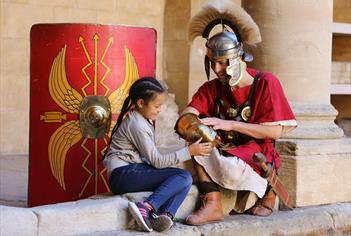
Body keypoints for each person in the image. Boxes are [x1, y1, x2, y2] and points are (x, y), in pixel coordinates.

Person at [182, 0, 297, 225]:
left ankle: (267, 193)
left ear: (238, 58)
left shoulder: (265, 82)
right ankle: (212, 202)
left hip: (254, 152)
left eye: (223, 63)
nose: (217, 70)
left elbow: (275, 132)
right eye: (212, 62)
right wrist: (197, 125)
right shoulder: (212, 88)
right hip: (224, 148)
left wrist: (231, 125)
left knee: (230, 168)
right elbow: (187, 115)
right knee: (190, 142)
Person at [103, 77, 212, 232]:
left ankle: (164, 215)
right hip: (122, 176)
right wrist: (189, 151)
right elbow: (157, 161)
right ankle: (146, 206)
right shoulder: (137, 124)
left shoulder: (143, 118)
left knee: (185, 178)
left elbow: (152, 157)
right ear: (141, 103)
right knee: (183, 177)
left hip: (131, 172)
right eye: (157, 106)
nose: (159, 110)